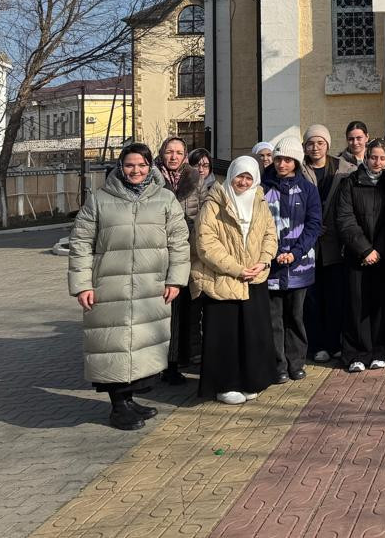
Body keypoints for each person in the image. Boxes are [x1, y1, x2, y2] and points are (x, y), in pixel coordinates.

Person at [68, 143, 190, 430]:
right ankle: (118, 407)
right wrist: (82, 284)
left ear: (150, 166)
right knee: (113, 345)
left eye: (142, 165)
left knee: (140, 346)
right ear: (120, 167)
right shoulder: (99, 200)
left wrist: (175, 279)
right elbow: (81, 244)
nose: (136, 170)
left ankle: (129, 399)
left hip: (150, 286)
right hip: (109, 288)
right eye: (129, 165)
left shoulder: (165, 200)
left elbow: (179, 243)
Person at [193, 156, 278, 404]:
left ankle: (253, 380)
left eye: (248, 177)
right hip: (223, 279)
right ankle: (225, 384)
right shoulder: (214, 203)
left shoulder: (260, 202)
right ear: (231, 176)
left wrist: (263, 261)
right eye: (239, 176)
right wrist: (237, 269)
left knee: (253, 334)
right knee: (225, 336)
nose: (243, 181)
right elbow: (206, 243)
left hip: (255, 278)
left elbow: (270, 235)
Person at [335, 139, 385, 372]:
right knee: (357, 305)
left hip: (384, 256)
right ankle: (356, 353)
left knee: (380, 306)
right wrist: (365, 249)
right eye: (373, 157)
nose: (377, 162)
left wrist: (381, 251)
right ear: (366, 157)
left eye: (382, 158)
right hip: (358, 255)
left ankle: (380, 350)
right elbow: (345, 219)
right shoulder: (350, 183)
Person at [262, 138, 323, 382]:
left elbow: (313, 224)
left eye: (287, 160)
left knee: (296, 316)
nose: (282, 164)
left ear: (296, 162)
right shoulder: (263, 188)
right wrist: (273, 253)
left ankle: (296, 362)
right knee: (274, 318)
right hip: (271, 265)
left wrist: (295, 253)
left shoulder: (308, 190)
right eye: (278, 159)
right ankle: (278, 364)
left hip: (300, 264)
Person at [155, 136, 210, 385]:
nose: (174, 156)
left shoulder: (195, 178)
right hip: (158, 253)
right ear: (162, 154)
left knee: (186, 308)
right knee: (162, 312)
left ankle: (181, 359)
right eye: (169, 152)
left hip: (186, 252)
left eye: (178, 152)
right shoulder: (153, 178)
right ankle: (162, 363)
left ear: (185, 155)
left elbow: (202, 213)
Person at [300, 124, 356, 364]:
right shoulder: (299, 170)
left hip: (335, 244)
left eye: (320, 143)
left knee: (335, 296)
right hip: (308, 245)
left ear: (328, 145)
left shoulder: (343, 170)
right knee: (312, 298)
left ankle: (334, 343)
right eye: (311, 143)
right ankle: (317, 345)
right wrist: (311, 226)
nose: (315, 147)